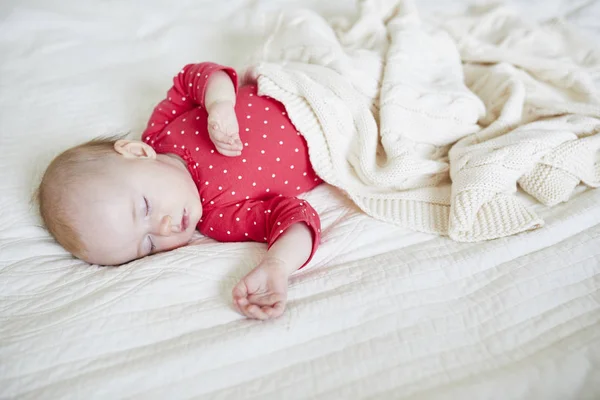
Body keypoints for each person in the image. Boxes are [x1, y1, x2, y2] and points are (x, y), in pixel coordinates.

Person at [37, 62, 323, 320]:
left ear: (137, 152)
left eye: (145, 208)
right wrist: (278, 264)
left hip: (295, 82)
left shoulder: (162, 131)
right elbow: (295, 215)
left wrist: (220, 103)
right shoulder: (219, 219)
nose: (164, 229)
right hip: (336, 135)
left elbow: (194, 78)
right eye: (148, 245)